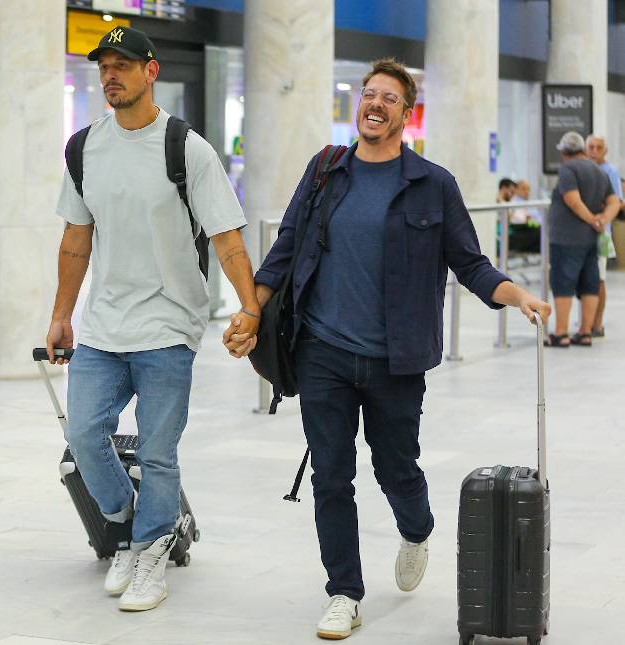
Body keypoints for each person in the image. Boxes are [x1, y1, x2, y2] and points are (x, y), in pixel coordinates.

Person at [225, 58, 551, 640]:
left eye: (387, 98)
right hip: (321, 349)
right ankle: (344, 592)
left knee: (395, 468)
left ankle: (417, 527)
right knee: (331, 475)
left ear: (406, 112)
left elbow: (469, 262)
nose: (373, 104)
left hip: (395, 358)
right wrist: (253, 309)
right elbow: (287, 246)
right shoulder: (327, 171)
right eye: (367, 94)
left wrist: (513, 294)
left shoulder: (433, 183)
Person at [47, 27, 260, 612]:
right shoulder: (83, 148)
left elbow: (226, 235)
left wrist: (250, 307)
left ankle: (151, 548)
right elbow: (74, 238)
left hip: (169, 323)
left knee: (159, 451)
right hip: (104, 323)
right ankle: (127, 526)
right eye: (104, 66)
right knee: (84, 434)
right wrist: (61, 315)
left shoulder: (187, 147)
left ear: (151, 71)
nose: (111, 75)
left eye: (123, 64)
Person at [545, 131, 620, 347]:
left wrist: (592, 220)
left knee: (563, 283)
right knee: (590, 283)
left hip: (566, 238)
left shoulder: (567, 169)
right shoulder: (598, 171)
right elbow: (614, 201)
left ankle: (561, 333)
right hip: (591, 240)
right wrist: (603, 219)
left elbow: (572, 200)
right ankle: (585, 332)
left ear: (564, 152)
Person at [585, 134, 624, 337]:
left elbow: (618, 202)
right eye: (590, 147)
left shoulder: (610, 172)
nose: (594, 151)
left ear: (605, 151)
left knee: (599, 279)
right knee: (584, 279)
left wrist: (601, 212)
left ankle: (597, 324)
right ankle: (586, 321)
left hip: (601, 235)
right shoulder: (582, 169)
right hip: (581, 234)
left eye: (598, 147)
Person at [508, 179, 541, 253]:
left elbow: (539, 219)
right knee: (540, 233)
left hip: (532, 231)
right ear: (516, 190)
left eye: (528, 189)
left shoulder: (529, 203)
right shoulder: (514, 203)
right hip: (520, 232)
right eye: (523, 189)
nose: (527, 191)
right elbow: (518, 220)